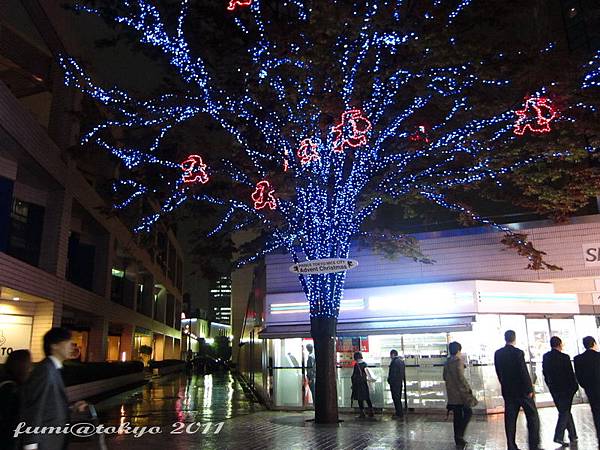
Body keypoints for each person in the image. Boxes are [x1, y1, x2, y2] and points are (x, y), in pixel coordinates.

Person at [20, 328, 87, 450]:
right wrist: (30, 445)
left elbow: (48, 406)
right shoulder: (45, 371)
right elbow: (34, 409)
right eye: (68, 341)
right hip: (44, 443)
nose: (72, 346)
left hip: (52, 442)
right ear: (54, 346)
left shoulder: (52, 369)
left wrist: (72, 409)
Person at [494, 330, 542, 450]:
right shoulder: (518, 353)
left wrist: (504, 384)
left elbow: (498, 372)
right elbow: (523, 371)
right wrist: (530, 388)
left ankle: (511, 445)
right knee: (532, 416)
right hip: (522, 391)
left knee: (510, 419)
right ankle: (533, 444)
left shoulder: (498, 353)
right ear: (514, 338)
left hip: (508, 391)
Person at [542, 336, 578, 447]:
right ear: (560, 344)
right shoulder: (565, 357)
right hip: (566, 389)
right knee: (564, 412)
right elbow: (570, 374)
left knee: (565, 411)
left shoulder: (546, 357)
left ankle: (573, 435)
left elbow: (545, 373)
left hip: (555, 389)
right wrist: (574, 387)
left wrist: (550, 385)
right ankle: (558, 436)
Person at [443, 342, 477, 448]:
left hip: (452, 394)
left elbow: (444, 376)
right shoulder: (458, 361)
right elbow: (461, 378)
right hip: (461, 393)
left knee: (457, 416)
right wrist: (468, 389)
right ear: (458, 351)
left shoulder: (447, 362)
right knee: (468, 412)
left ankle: (458, 438)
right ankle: (460, 436)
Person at [0, 350, 32, 450]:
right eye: (29, 364)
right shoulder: (11, 389)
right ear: (21, 366)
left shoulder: (7, 384)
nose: (31, 369)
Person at [573, 336, 600, 447]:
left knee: (596, 411)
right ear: (594, 343)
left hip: (590, 389)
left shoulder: (578, 359)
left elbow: (578, 376)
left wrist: (585, 386)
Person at [351, 351, 375, 418]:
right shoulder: (365, 364)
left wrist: (353, 384)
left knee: (360, 399)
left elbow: (354, 376)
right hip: (364, 383)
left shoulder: (357, 365)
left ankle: (362, 413)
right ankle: (371, 411)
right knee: (367, 397)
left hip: (358, 384)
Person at [387, 349, 405, 419]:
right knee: (398, 398)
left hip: (394, 383)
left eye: (390, 355)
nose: (390, 356)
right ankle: (399, 413)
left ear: (393, 354)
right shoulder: (401, 361)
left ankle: (399, 414)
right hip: (399, 382)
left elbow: (393, 374)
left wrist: (390, 381)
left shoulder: (394, 362)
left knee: (396, 398)